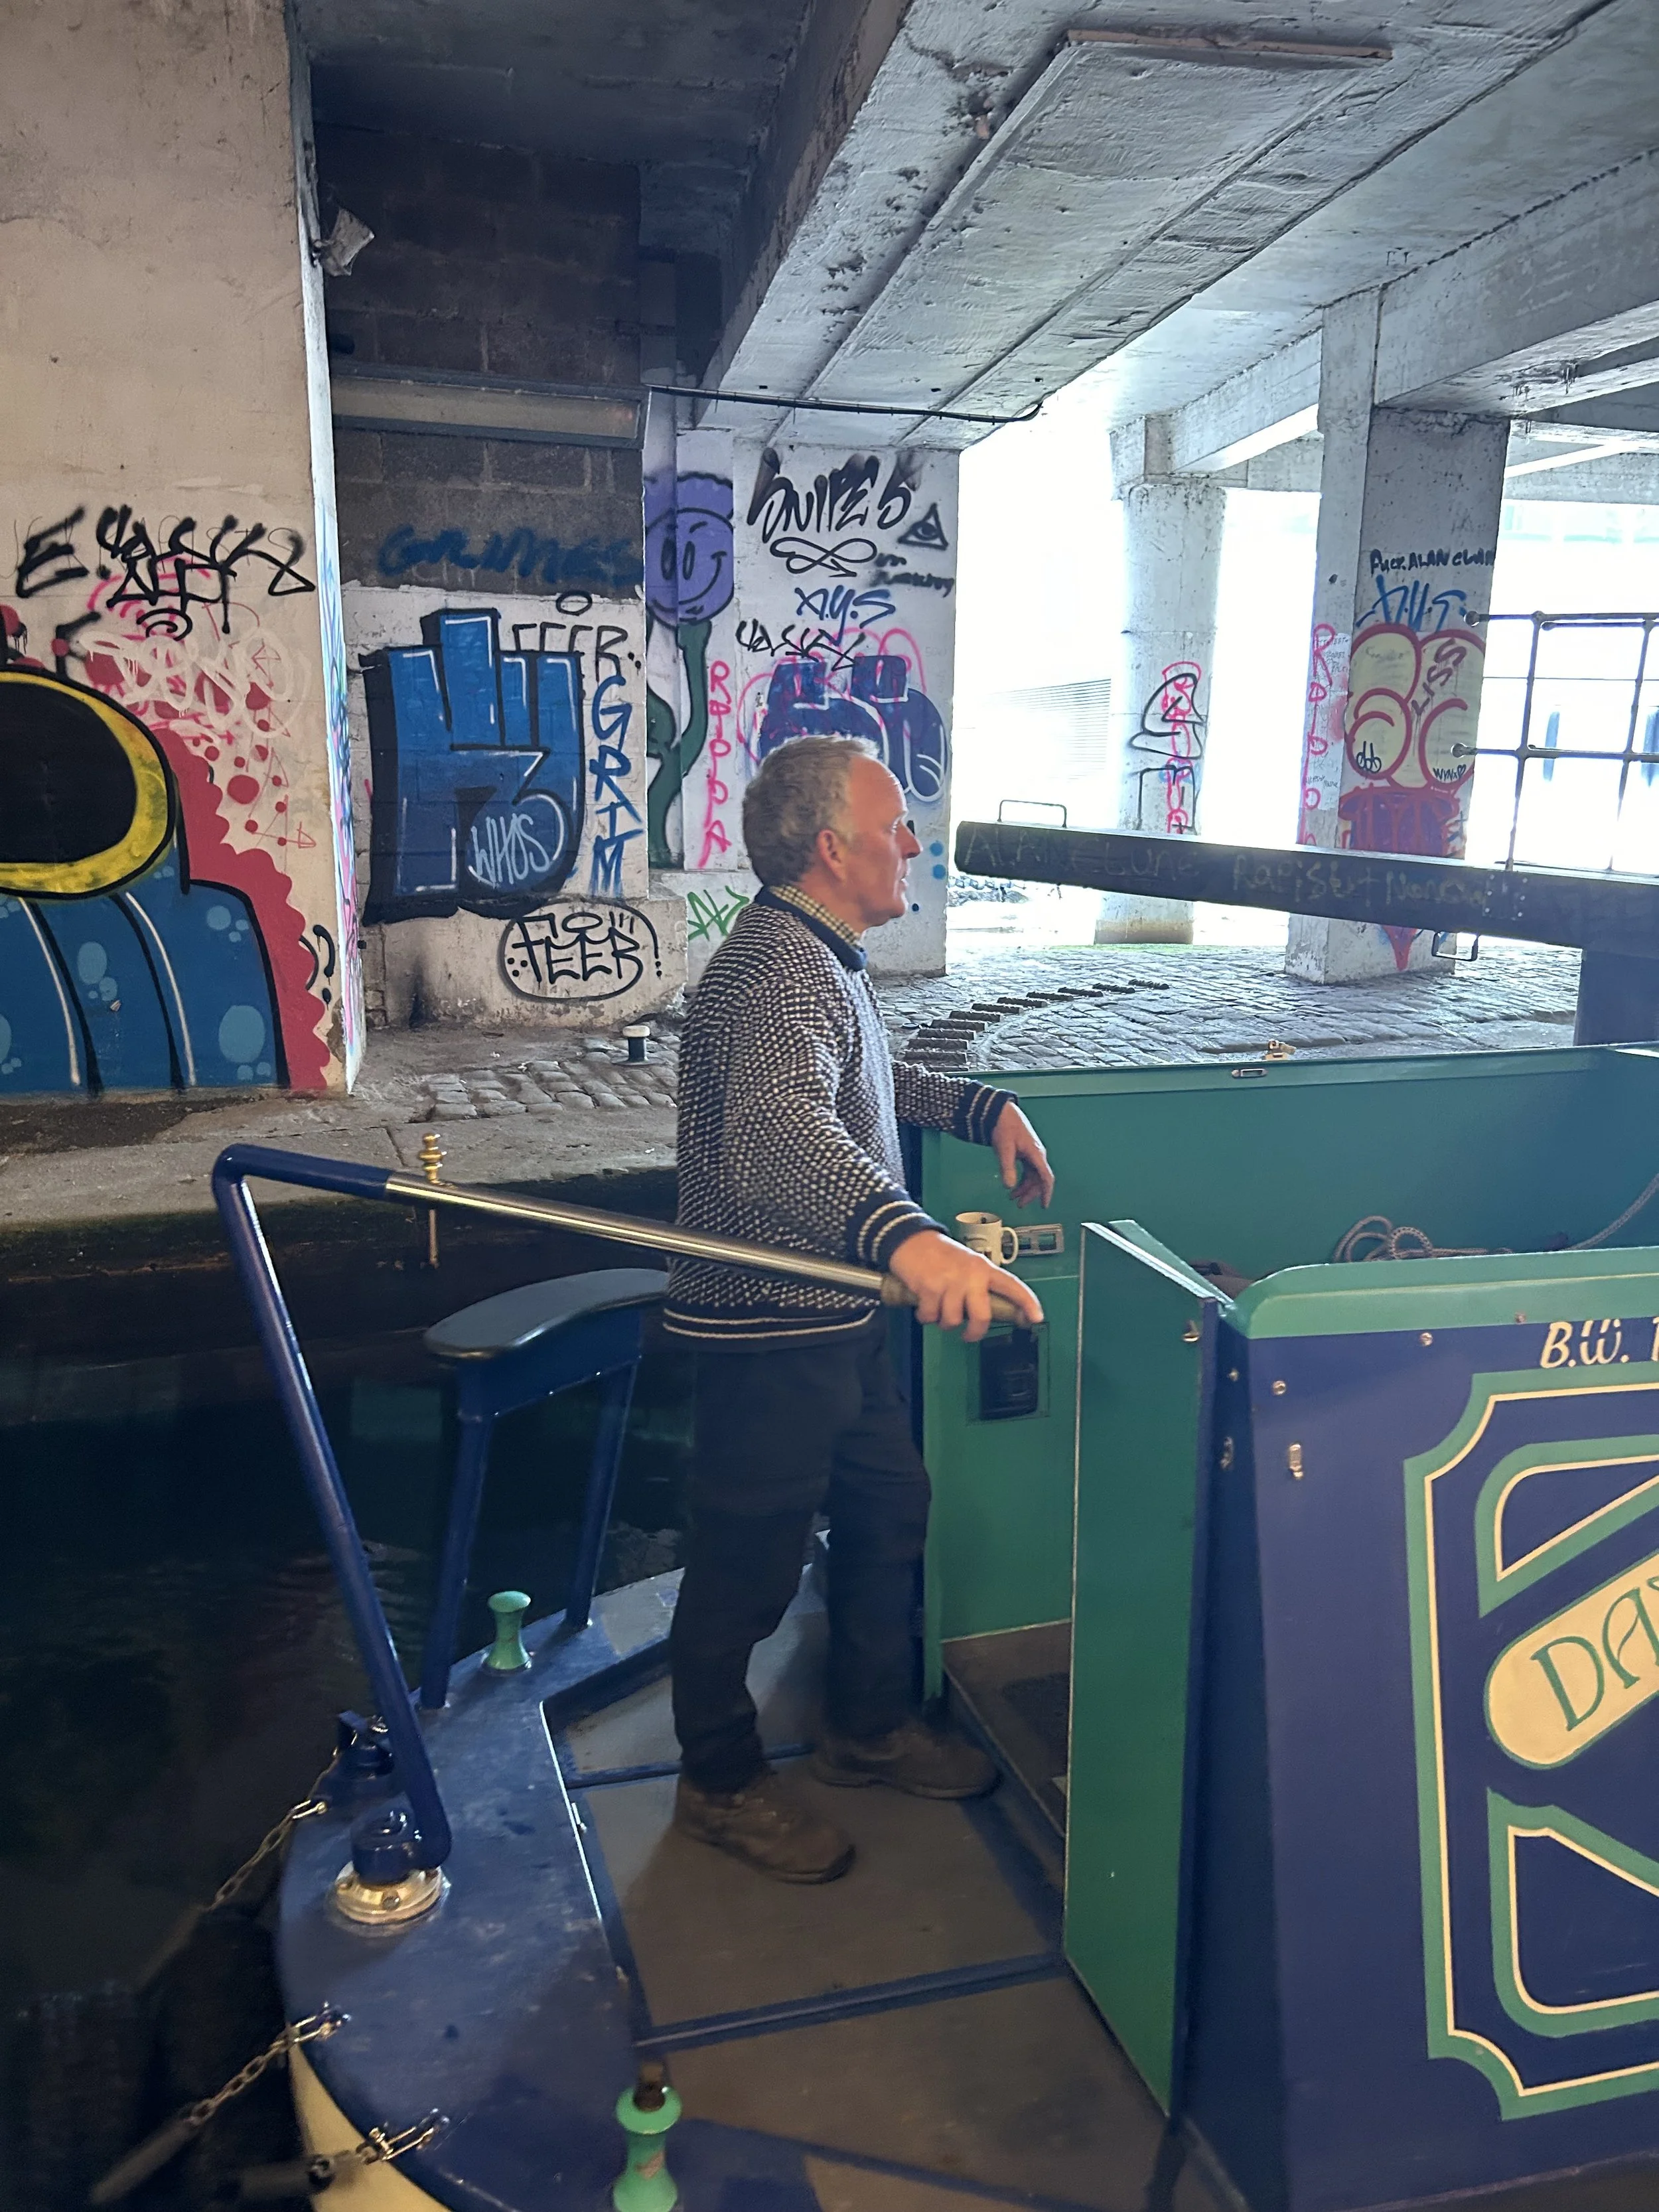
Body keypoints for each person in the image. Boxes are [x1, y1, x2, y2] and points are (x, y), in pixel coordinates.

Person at [664, 734, 1055, 1882]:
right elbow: (781, 1140)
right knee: (747, 1569)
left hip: (837, 1324)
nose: (914, 845)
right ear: (833, 849)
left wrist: (977, 1108)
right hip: (768, 1331)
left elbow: (863, 1086)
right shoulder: (770, 969)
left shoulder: (819, 956)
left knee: (891, 1509)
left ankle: (864, 1728)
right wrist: (909, 1236)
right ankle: (720, 1783)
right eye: (896, 827)